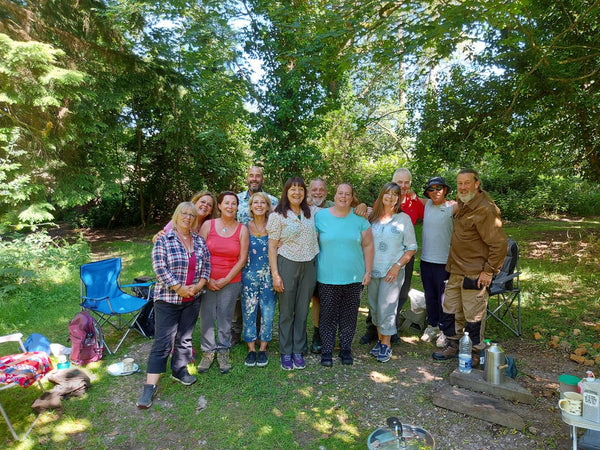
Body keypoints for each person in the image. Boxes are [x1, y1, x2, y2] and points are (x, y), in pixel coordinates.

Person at [137, 202, 211, 409]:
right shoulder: (164, 239)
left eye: (191, 215)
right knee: (162, 342)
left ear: (195, 220)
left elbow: (207, 266)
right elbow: (159, 267)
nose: (188, 218)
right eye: (184, 214)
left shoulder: (199, 241)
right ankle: (149, 387)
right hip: (168, 299)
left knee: (185, 338)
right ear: (176, 216)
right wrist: (178, 288)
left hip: (192, 298)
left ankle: (179, 370)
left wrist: (197, 287)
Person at [432, 169, 507, 365]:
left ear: (476, 183)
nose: (463, 187)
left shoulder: (486, 209)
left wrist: (489, 271)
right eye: (459, 183)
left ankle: (474, 352)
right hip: (456, 269)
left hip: (475, 273)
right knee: (450, 310)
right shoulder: (463, 203)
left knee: (473, 316)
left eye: (467, 183)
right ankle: (453, 345)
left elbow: (499, 244)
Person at [358, 168, 424, 344]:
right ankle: (375, 332)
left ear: (409, 185)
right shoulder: (377, 212)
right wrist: (362, 206)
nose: (402, 186)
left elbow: (427, 212)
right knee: (374, 302)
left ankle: (388, 335)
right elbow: (363, 217)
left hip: (399, 259)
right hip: (376, 264)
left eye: (405, 183)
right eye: (398, 182)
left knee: (394, 299)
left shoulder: (412, 206)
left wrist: (397, 265)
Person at [315, 183, 374, 366]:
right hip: (326, 276)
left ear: (352, 197)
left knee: (349, 315)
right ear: (335, 195)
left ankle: (346, 349)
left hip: (354, 277)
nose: (343, 197)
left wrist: (368, 271)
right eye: (340, 193)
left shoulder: (360, 219)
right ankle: (326, 350)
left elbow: (368, 245)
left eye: (347, 194)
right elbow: (313, 243)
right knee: (327, 315)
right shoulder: (321, 216)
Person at [267, 177, 319, 370]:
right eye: (292, 189)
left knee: (303, 310)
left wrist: (362, 205)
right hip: (287, 264)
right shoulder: (277, 215)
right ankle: (285, 352)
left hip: (309, 265)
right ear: (286, 192)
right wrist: (275, 274)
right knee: (287, 311)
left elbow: (338, 210)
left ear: (305, 192)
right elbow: (272, 247)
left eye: (300, 189)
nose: (296, 193)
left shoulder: (311, 212)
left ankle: (298, 350)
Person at [197, 192, 249, 374]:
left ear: (237, 207)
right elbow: (199, 253)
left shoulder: (242, 229)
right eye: (226, 203)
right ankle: (208, 352)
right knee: (207, 316)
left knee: (226, 317)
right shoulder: (207, 225)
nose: (230, 206)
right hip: (207, 279)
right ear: (219, 206)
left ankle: (223, 351)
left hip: (231, 280)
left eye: (234, 203)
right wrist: (208, 278)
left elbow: (242, 259)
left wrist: (226, 279)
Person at [367, 182, 417, 363]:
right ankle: (380, 340)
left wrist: (397, 266)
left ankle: (386, 345)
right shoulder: (372, 217)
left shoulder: (403, 219)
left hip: (392, 272)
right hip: (372, 271)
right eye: (387, 193)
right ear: (381, 196)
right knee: (373, 307)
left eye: (395, 194)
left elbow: (411, 248)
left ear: (399, 198)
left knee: (386, 307)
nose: (390, 197)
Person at [233, 166, 279, 345]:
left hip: (267, 256)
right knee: (242, 303)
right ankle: (237, 333)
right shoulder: (236, 199)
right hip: (243, 253)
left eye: (258, 176)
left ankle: (262, 337)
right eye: (251, 175)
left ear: (262, 179)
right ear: (247, 178)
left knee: (265, 304)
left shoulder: (273, 200)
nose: (254, 178)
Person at [419, 177, 458, 347]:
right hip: (426, 260)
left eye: (439, 188)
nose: (435, 192)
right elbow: (405, 195)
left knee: (444, 298)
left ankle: (444, 330)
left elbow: (474, 204)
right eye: (431, 189)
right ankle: (432, 326)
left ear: (445, 190)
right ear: (427, 192)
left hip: (444, 262)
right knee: (430, 296)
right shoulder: (426, 204)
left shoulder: (452, 207)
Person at [241, 192, 276, 368]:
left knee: (268, 311)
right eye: (256, 202)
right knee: (249, 311)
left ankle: (263, 348)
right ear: (251, 206)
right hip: (248, 276)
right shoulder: (244, 227)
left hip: (269, 276)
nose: (260, 205)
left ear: (268, 207)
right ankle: (251, 349)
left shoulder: (274, 226)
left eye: (263, 202)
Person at [306, 177, 334, 354]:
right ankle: (316, 333)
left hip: (331, 259)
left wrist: (362, 205)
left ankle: (327, 333)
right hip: (309, 260)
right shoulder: (302, 206)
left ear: (327, 191)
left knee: (330, 298)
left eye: (321, 189)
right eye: (314, 189)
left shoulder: (333, 206)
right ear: (309, 191)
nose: (317, 193)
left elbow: (354, 204)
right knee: (315, 299)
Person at [152, 191, 217, 243]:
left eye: (209, 205)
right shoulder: (181, 220)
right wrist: (156, 237)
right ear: (194, 203)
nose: (205, 205)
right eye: (202, 202)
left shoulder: (211, 227)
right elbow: (159, 239)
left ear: (211, 211)